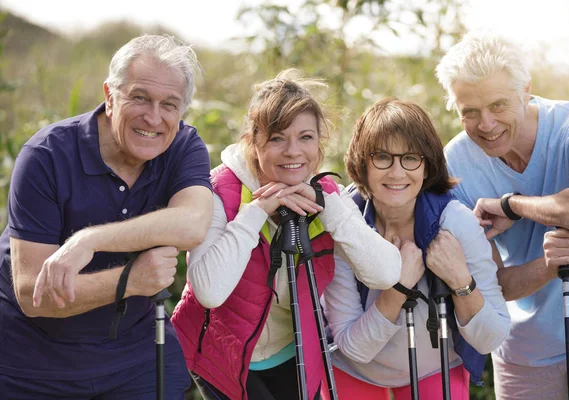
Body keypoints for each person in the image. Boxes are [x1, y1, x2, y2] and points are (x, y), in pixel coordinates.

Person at [0, 34, 213, 399]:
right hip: (29, 361)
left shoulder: (182, 146)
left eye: (170, 104)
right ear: (110, 97)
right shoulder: (46, 156)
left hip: (132, 353)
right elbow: (34, 297)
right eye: (140, 97)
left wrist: (89, 240)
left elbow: (192, 223)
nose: (154, 117)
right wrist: (130, 280)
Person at [171, 69, 403, 400]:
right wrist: (257, 212)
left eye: (306, 137)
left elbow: (386, 273)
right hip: (219, 350)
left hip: (291, 350)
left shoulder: (327, 195)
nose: (294, 151)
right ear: (252, 141)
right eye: (278, 138)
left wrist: (331, 210)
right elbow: (208, 291)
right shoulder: (219, 191)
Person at [438, 31, 569, 400]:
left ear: (525, 90)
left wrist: (513, 204)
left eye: (498, 105)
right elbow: (496, 283)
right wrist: (548, 263)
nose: (487, 125)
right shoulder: (456, 164)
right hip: (523, 353)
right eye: (470, 112)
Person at [323, 98, 510, 400]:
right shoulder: (346, 224)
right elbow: (354, 348)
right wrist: (398, 288)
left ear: (427, 165)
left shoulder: (456, 223)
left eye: (410, 158)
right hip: (355, 371)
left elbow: (491, 338)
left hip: (435, 369)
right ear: (362, 163)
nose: (397, 172)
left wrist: (460, 279)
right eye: (382, 157)